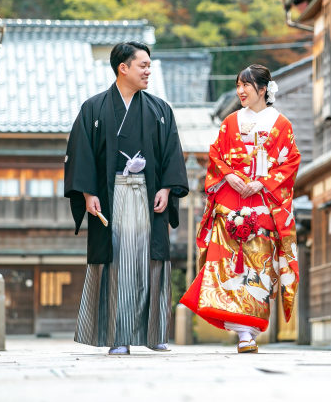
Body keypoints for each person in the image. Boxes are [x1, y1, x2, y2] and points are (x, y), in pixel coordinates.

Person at [64, 40, 189, 355]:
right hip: (111, 195)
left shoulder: (160, 110)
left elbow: (172, 153)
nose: (149, 70)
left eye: (149, 65)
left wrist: (166, 188)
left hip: (150, 196)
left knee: (152, 262)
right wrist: (89, 192)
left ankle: (155, 333)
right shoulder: (94, 108)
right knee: (116, 262)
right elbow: (82, 153)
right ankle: (117, 336)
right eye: (143, 65)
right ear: (123, 68)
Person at [180, 65, 301, 353]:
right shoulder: (230, 122)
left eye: (246, 86)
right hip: (231, 202)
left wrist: (262, 183)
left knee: (259, 266)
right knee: (226, 264)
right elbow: (216, 155)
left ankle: (250, 329)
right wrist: (229, 175)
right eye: (238, 86)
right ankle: (241, 333)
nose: (240, 91)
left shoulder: (281, 124)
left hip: (263, 204)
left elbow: (290, 161)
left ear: (263, 89)